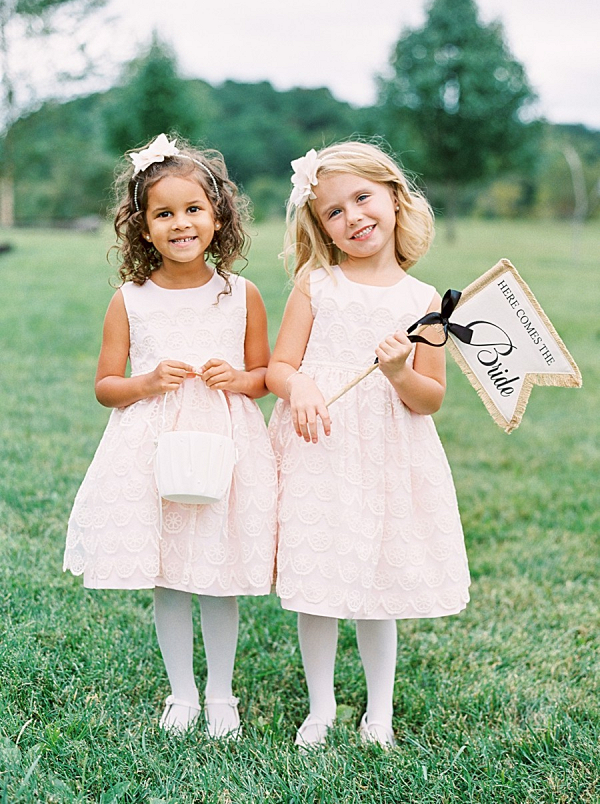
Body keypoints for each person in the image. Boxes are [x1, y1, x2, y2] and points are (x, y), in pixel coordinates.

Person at [64, 133, 277, 738]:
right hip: (152, 446)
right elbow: (106, 384)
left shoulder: (242, 295)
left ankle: (221, 695)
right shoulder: (130, 299)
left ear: (218, 217)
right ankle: (181, 692)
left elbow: (264, 377)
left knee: (217, 569)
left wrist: (238, 378)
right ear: (142, 226)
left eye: (193, 210)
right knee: (168, 571)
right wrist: (146, 381)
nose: (180, 223)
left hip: (222, 443)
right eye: (164, 213)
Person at [267, 142, 471, 749]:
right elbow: (279, 365)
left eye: (362, 198)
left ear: (394, 197)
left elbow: (429, 397)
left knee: (378, 583)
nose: (353, 217)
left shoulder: (426, 303)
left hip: (386, 452)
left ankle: (377, 711)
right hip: (320, 444)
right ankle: (321, 705)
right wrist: (299, 383)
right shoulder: (316, 283)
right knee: (319, 575)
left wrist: (400, 373)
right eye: (333, 211)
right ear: (319, 226)